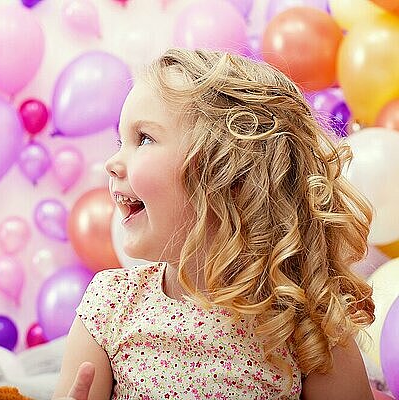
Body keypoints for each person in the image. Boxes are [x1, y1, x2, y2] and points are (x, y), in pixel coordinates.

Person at [53, 48, 375, 400]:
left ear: (227, 175)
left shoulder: (308, 327)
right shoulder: (111, 306)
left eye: (144, 138)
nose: (112, 162)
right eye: (120, 141)